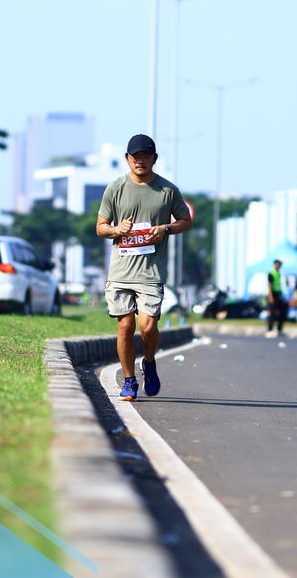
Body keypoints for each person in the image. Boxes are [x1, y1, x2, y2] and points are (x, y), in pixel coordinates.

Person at [96, 134, 192, 401]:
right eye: (135, 157)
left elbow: (186, 221)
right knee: (125, 326)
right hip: (120, 272)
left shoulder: (167, 191)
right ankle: (129, 381)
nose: (140, 161)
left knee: (148, 327)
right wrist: (117, 229)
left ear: (154, 159)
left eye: (145, 156)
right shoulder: (115, 188)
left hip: (151, 273)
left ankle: (149, 362)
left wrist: (166, 229)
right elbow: (100, 227)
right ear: (127, 159)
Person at [267, 259, 287, 336]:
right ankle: (270, 330)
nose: (278, 266)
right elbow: (269, 285)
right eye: (277, 265)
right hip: (273, 294)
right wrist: (270, 296)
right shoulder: (272, 273)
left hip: (278, 294)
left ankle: (279, 329)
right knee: (272, 313)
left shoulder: (279, 273)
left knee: (283, 311)